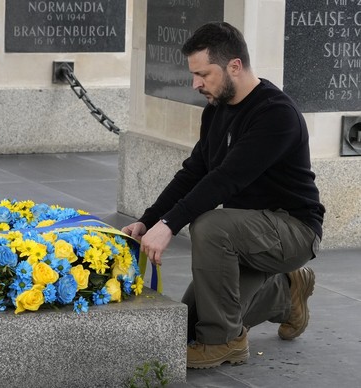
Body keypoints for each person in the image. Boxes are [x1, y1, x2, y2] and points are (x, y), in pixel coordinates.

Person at [121, 22, 325, 369]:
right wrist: (148, 220)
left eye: (203, 74)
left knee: (210, 226)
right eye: (194, 74)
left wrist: (170, 225)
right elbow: (194, 173)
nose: (196, 84)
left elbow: (225, 180)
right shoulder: (215, 110)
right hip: (246, 233)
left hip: (292, 229)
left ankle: (223, 342)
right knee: (187, 325)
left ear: (234, 65)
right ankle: (287, 294)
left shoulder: (276, 114)